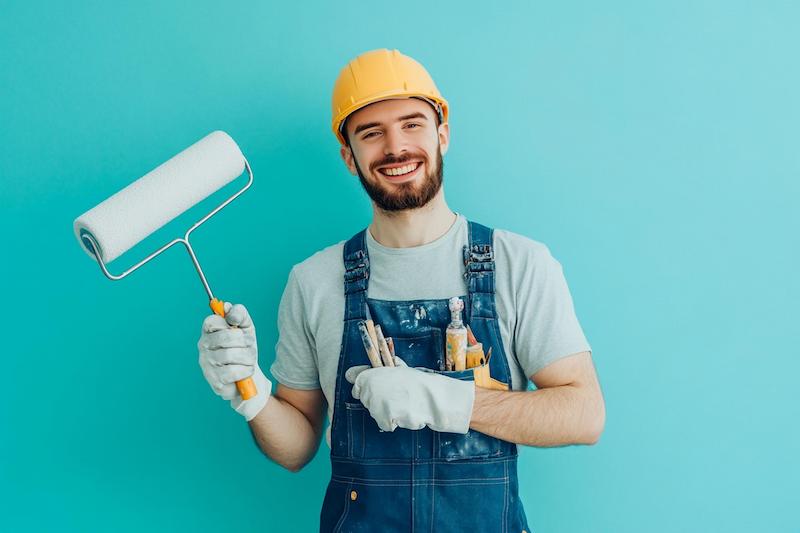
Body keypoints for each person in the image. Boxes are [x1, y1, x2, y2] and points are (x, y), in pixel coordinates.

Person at [198, 48, 605, 532]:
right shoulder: (314, 281)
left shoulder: (519, 265)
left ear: (443, 135)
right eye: (372, 133)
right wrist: (254, 396)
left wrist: (447, 400)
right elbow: (296, 448)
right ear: (350, 156)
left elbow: (583, 414)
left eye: (412, 124)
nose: (396, 147)